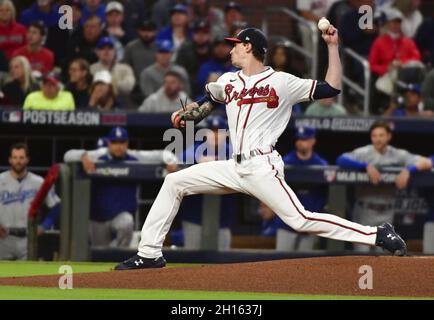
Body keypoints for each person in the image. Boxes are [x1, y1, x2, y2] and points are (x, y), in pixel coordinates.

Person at [115, 26, 410, 270]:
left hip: (262, 166)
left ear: (248, 47)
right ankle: (150, 253)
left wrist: (332, 46)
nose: (230, 50)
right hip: (233, 165)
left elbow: (331, 88)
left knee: (300, 219)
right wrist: (194, 108)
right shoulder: (229, 80)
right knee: (174, 181)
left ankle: (376, 234)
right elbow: (210, 96)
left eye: (235, 45)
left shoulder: (281, 82)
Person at [63, 127, 178, 248]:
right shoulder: (99, 155)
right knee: (100, 251)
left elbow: (162, 154)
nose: (119, 146)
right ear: (109, 143)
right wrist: (82, 156)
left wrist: (170, 160)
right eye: (114, 142)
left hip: (121, 216)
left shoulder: (134, 156)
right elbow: (67, 155)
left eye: (122, 142)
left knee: (126, 222)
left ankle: (119, 253)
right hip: (98, 217)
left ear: (127, 143)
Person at [336, 121, 432, 252]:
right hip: (365, 210)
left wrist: (409, 170)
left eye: (381, 135)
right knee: (360, 255)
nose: (377, 139)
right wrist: (365, 166)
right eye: (374, 135)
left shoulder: (397, 154)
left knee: (384, 257)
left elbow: (427, 162)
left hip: (387, 213)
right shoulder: (364, 153)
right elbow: (340, 159)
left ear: (388, 137)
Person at [177, 115, 235, 250]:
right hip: (194, 217)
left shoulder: (233, 151)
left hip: (223, 219)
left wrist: (218, 163)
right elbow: (179, 160)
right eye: (211, 130)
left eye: (218, 131)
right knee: (192, 261)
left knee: (222, 264)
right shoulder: (195, 149)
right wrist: (198, 162)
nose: (215, 135)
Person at [0, 143, 60, 260]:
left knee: (27, 276)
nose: (18, 161)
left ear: (27, 159)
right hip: (4, 239)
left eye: (21, 158)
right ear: (10, 160)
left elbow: (56, 206)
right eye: (15, 157)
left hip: (28, 239)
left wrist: (45, 225)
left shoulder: (38, 182)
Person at [278, 126, 329, 251]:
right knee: (279, 263)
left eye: (305, 139)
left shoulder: (321, 165)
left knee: (305, 266)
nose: (300, 142)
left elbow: (324, 196)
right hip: (286, 224)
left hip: (309, 225)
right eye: (298, 139)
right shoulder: (285, 162)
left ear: (313, 141)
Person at [368, 7, 421, 78]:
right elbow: (372, 65)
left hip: (407, 74)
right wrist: (387, 68)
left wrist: (403, 63)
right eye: (394, 22)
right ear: (387, 23)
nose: (396, 25)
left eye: (399, 22)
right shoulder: (379, 42)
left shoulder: (408, 42)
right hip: (386, 76)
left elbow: (416, 58)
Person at [176, 20, 213, 99]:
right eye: (197, 33)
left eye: (204, 33)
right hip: (188, 90)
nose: (200, 36)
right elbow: (178, 72)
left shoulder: (214, 49)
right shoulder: (184, 51)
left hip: (210, 89)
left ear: (209, 35)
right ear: (193, 34)